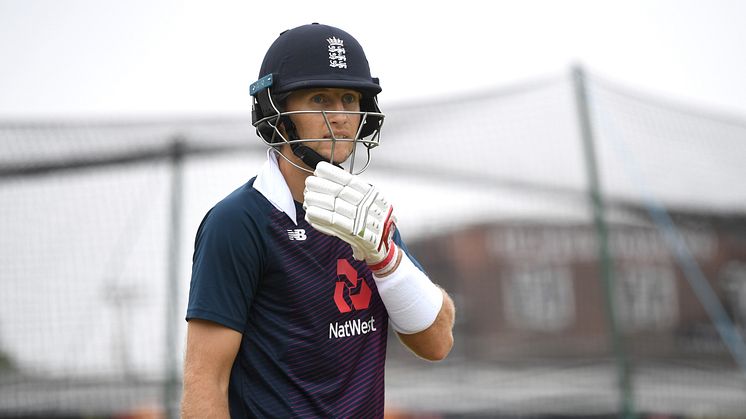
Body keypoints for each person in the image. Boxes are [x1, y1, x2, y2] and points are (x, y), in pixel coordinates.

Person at [181, 23, 456, 418]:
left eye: (349, 98)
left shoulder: (369, 217)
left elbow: (437, 342)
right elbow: (207, 380)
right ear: (275, 109)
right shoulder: (238, 222)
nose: (341, 117)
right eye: (320, 99)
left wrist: (387, 260)